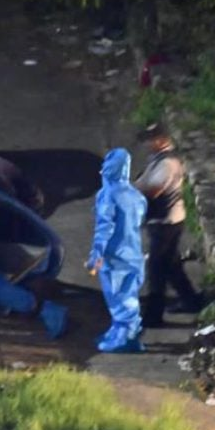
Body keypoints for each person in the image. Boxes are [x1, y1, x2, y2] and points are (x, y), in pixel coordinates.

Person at [134, 123, 204, 326]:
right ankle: (191, 300)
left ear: (161, 140)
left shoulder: (167, 164)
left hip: (165, 222)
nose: (147, 143)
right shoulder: (159, 160)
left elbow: (154, 190)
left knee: (156, 269)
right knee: (171, 265)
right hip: (168, 220)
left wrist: (130, 191)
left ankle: (153, 315)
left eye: (150, 139)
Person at [87, 148, 148, 352]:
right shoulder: (136, 196)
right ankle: (121, 331)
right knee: (129, 295)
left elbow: (105, 226)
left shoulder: (108, 195)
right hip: (134, 254)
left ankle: (124, 338)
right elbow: (139, 219)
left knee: (118, 298)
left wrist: (96, 253)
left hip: (114, 256)